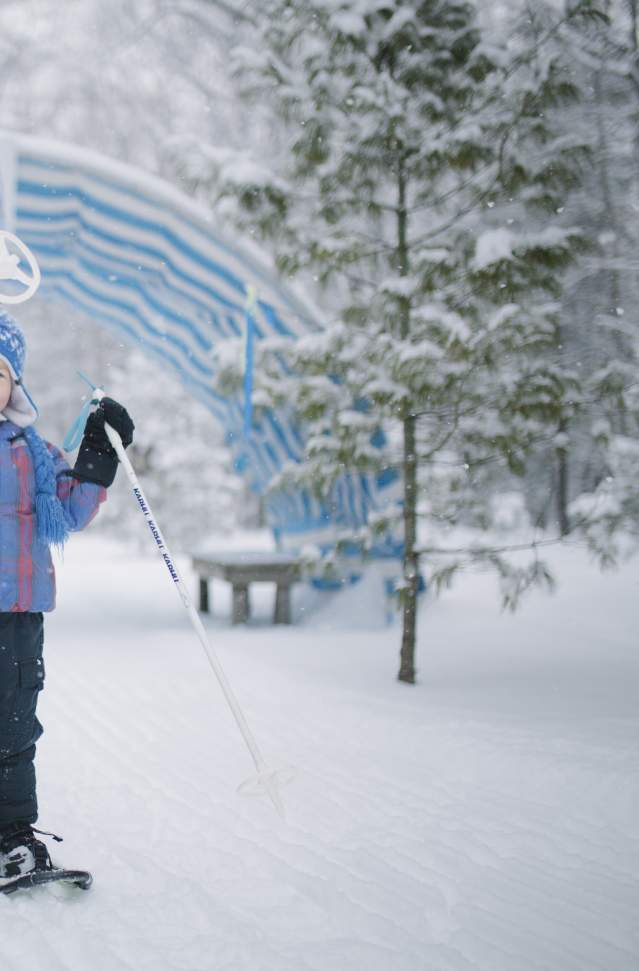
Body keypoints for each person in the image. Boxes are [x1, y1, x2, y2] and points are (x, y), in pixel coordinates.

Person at [0, 309, 133, 884]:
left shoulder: (35, 450)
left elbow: (71, 509)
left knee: (12, 727)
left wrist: (100, 457)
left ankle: (11, 839)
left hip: (19, 615)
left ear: (13, 381)